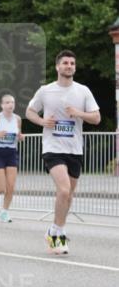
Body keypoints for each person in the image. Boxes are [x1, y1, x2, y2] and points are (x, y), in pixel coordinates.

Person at [25, 49, 101, 255]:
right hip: (53, 148)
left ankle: (54, 229)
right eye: (65, 63)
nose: (69, 66)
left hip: (75, 149)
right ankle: (58, 235)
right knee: (64, 189)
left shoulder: (83, 91)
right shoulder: (46, 91)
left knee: (68, 195)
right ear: (58, 66)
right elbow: (29, 111)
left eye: (72, 63)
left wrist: (78, 113)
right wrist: (42, 121)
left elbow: (96, 118)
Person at [0, 92, 23, 222]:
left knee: (11, 187)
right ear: (2, 105)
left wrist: (20, 137)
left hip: (11, 153)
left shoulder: (18, 119)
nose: (10, 105)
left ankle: (4, 212)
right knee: (0, 188)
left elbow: (18, 134)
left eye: (12, 102)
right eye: (7, 102)